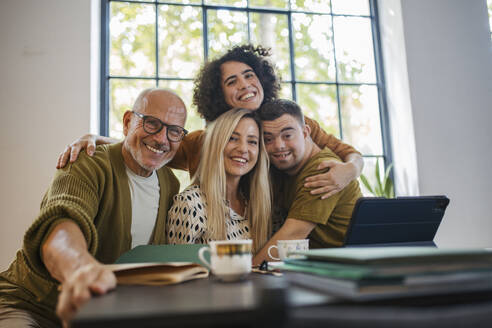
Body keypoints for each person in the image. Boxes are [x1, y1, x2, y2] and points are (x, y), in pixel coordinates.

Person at [57, 44, 363, 199]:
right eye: (232, 82)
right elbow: (154, 147)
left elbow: (348, 152)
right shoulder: (203, 141)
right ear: (220, 96)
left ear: (262, 79)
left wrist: (348, 171)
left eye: (249, 75)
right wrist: (95, 138)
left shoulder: (290, 125)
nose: (244, 85)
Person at [0, 88, 187, 327]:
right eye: (152, 124)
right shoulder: (86, 163)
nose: (162, 139)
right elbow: (61, 222)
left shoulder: (169, 183)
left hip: (99, 316)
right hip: (31, 306)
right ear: (128, 122)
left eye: (174, 131)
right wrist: (79, 269)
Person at [253, 99, 362, 265]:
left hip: (345, 270)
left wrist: (248, 273)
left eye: (287, 135)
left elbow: (292, 237)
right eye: (268, 139)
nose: (278, 146)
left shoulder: (323, 169)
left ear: (305, 133)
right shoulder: (286, 170)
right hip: (318, 267)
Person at [167, 108, 271, 253]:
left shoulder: (256, 204)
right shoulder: (191, 204)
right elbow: (180, 270)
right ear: (215, 143)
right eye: (233, 138)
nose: (243, 148)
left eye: (252, 141)